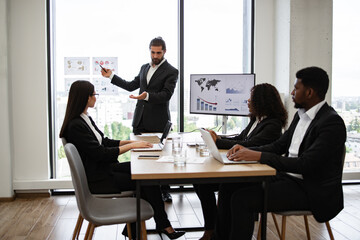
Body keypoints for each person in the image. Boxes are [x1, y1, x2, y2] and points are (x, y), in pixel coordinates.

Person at [214, 66, 346, 240]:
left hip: (310, 190)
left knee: (242, 199)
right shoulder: (300, 115)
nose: (291, 92)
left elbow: (305, 165)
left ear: (309, 92)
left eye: (296, 88)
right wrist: (248, 150)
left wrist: (258, 156)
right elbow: (278, 146)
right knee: (228, 186)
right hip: (288, 179)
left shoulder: (331, 123)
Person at [59, 80, 185, 239]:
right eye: (93, 95)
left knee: (144, 172)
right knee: (146, 180)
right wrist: (132, 147)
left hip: (104, 169)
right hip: (100, 179)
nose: (95, 98)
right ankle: (162, 225)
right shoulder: (76, 125)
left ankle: (140, 228)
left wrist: (131, 142)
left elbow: (104, 141)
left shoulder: (84, 118)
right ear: (85, 97)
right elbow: (101, 153)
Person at [193, 83, 288, 240]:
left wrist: (217, 142)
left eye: (251, 98)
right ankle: (213, 229)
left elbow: (250, 145)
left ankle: (219, 233)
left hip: (258, 174)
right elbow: (240, 139)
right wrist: (218, 138)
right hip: (245, 166)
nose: (248, 101)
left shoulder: (272, 124)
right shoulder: (256, 120)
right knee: (202, 183)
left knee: (227, 186)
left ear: (262, 101)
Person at [101, 36, 177, 202]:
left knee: (160, 157)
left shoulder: (172, 71)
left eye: (158, 52)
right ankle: (143, 189)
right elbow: (130, 85)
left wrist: (147, 96)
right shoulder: (144, 68)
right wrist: (111, 76)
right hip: (140, 120)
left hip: (158, 121)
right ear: (149, 51)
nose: (155, 55)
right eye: (152, 52)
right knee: (140, 156)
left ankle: (164, 190)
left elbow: (166, 95)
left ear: (164, 52)